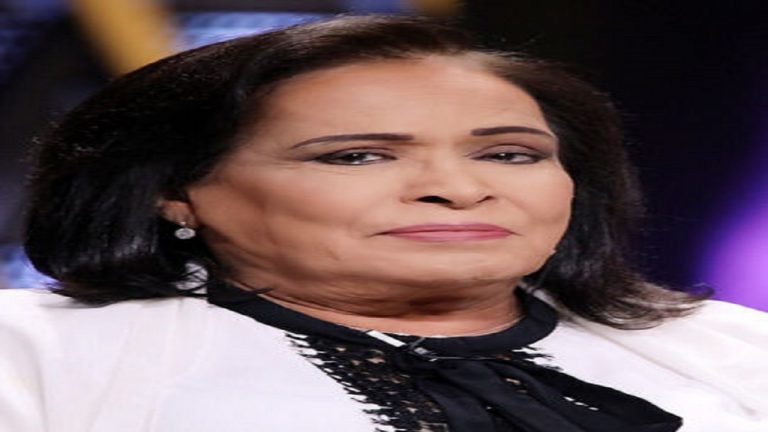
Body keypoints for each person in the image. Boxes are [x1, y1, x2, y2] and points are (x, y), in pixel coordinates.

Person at [1, 15, 766, 432]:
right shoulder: (32, 355)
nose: (456, 191)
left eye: (509, 154)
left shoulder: (735, 348)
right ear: (177, 191)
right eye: (357, 156)